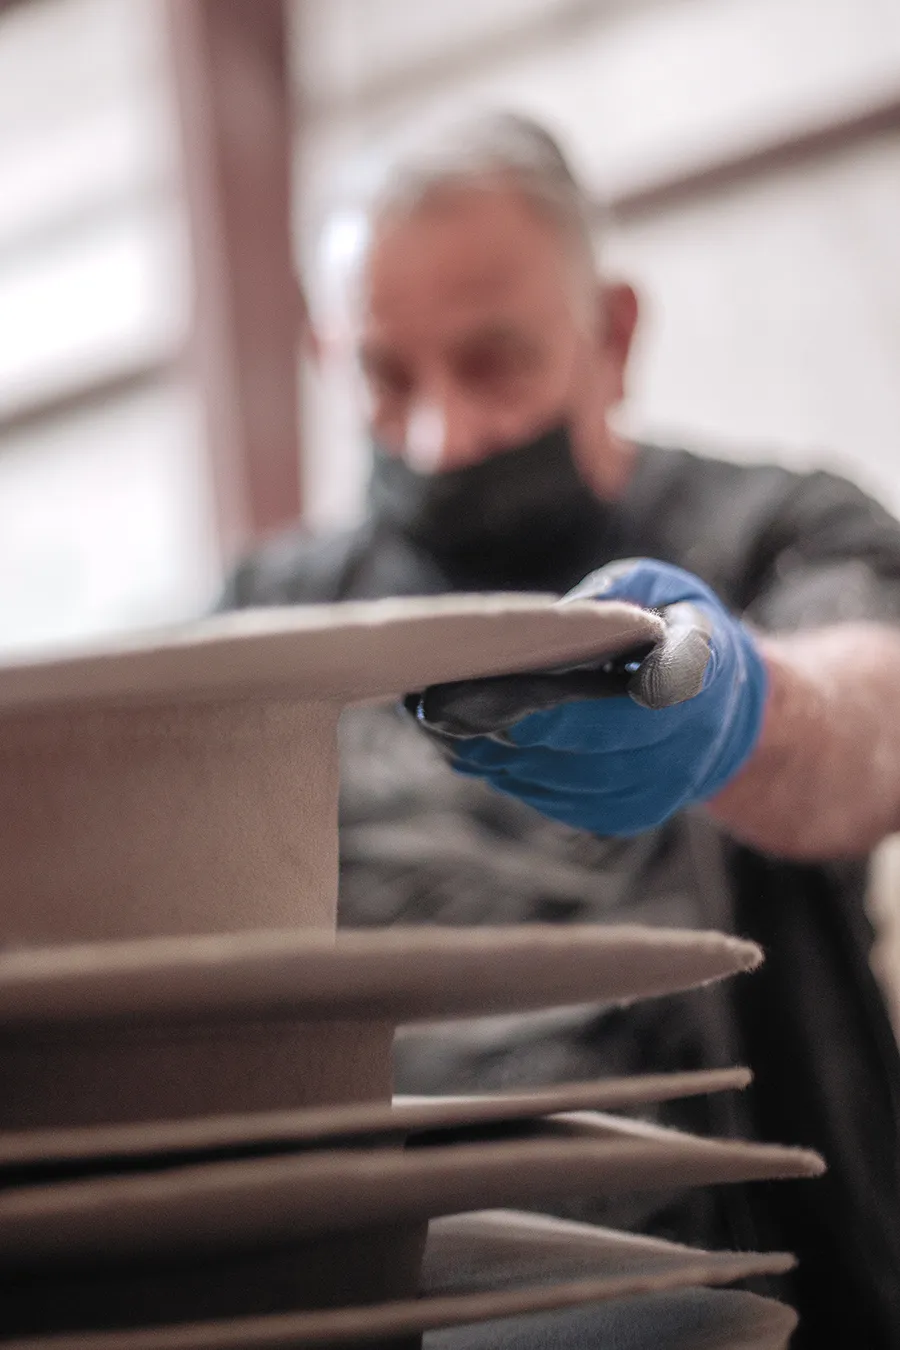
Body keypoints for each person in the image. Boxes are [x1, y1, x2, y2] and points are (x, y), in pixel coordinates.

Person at [219, 113, 900, 1346]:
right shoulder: (262, 621)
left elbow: (878, 716)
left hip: (734, 1291)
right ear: (328, 354)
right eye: (384, 376)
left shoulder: (773, 533)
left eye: (495, 363)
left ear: (615, 331)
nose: (443, 437)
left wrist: (752, 706)